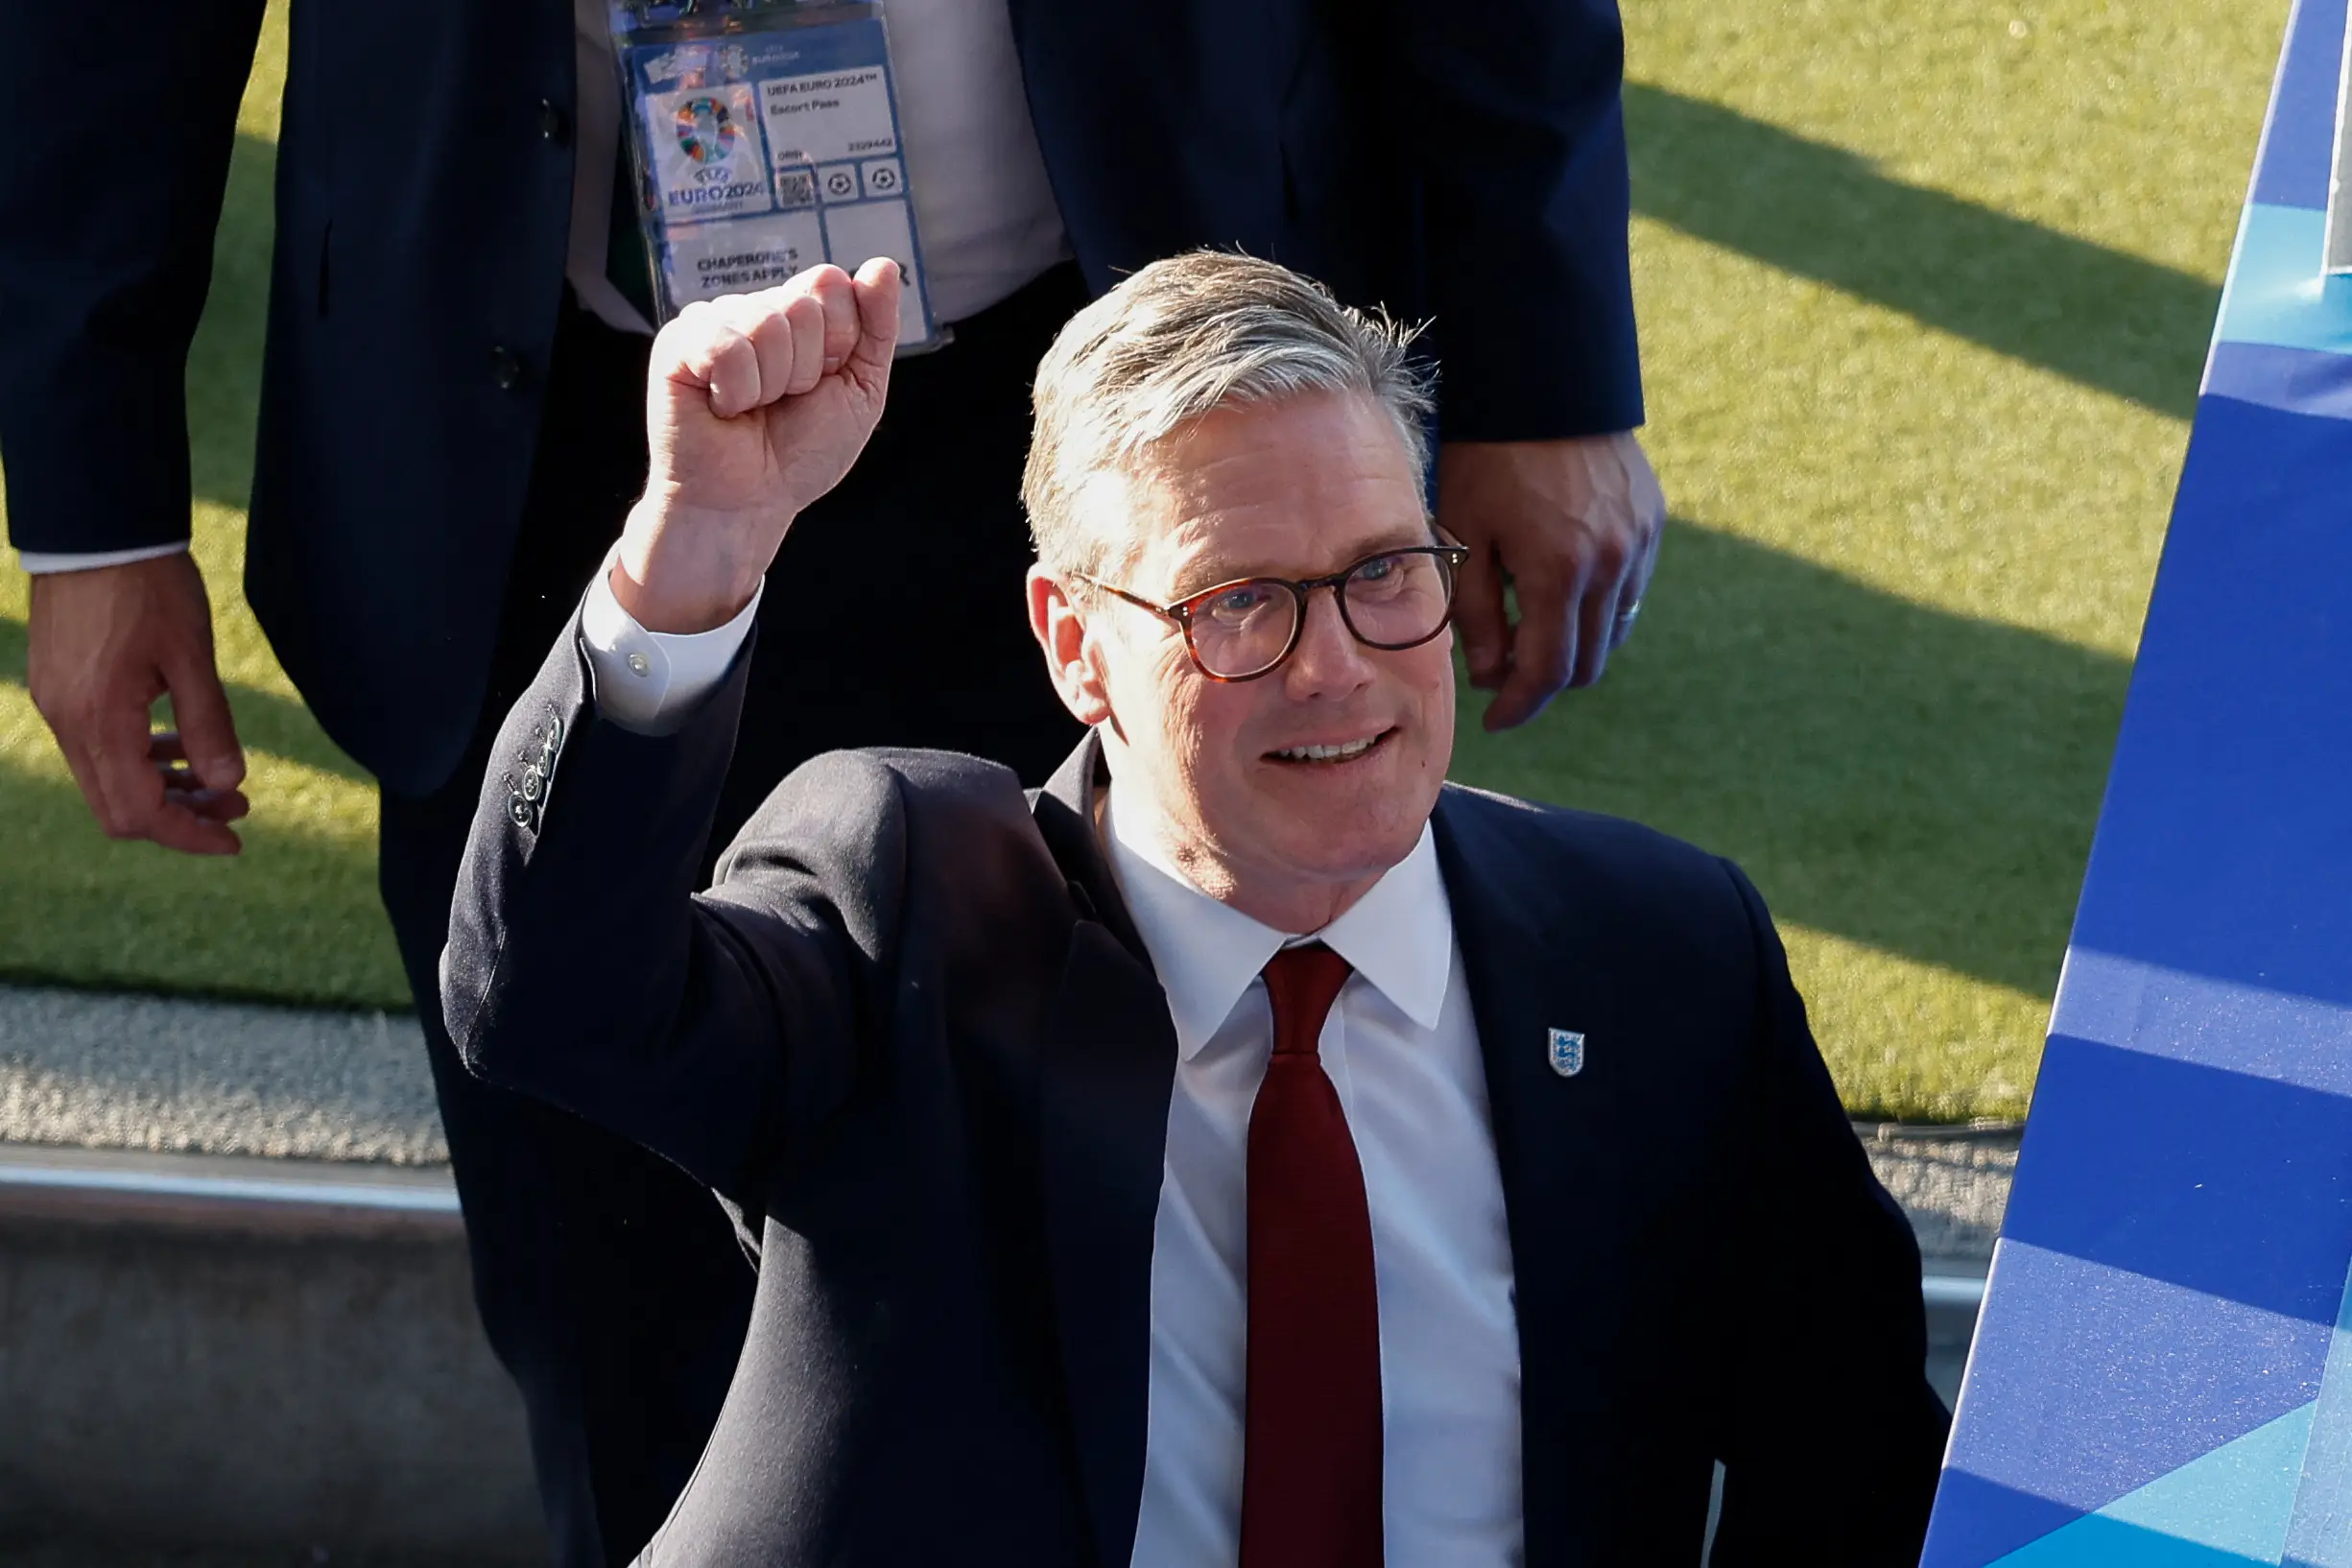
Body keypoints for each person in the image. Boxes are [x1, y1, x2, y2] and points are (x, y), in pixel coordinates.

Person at [1, 4, 1662, 1559]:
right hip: (525, 440)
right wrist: (92, 506)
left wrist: (1547, 357)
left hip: (1109, 426)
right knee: (616, 1323)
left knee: (1160, 1299)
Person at [443, 251, 1945, 1567]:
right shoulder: (909, 911)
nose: (1334, 663)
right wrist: (694, 542)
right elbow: (549, 1000)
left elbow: (1861, 1466)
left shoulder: (1658, 964)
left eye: (1380, 574)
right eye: (1238, 601)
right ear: (1073, 645)